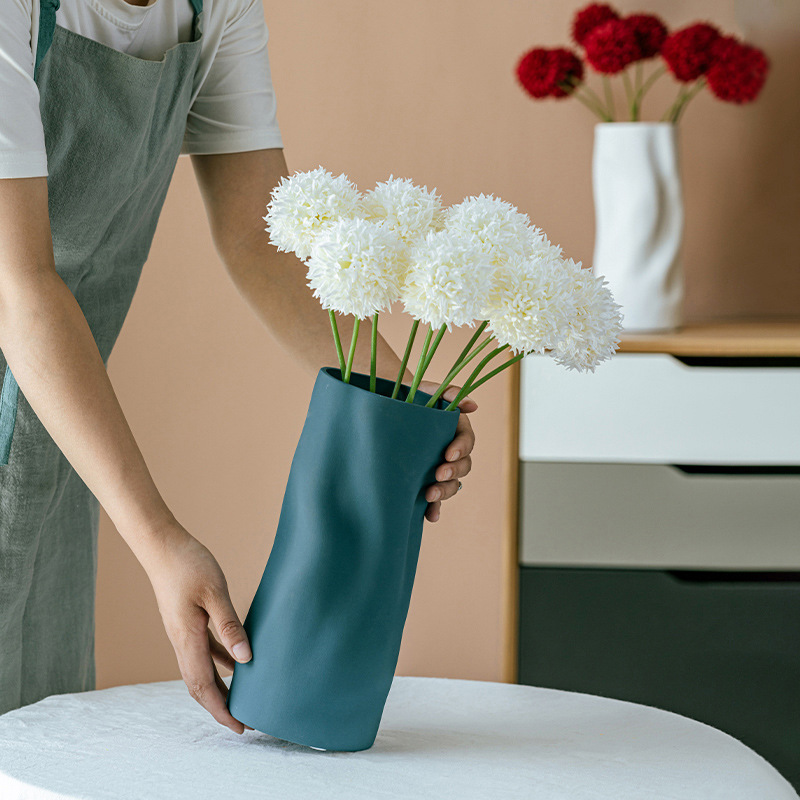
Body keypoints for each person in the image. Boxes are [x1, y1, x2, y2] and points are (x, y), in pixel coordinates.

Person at [0, 0, 477, 733]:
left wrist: (406, 406)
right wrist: (161, 543)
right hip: (43, 374)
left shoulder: (214, 6)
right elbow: (20, 285)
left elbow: (260, 239)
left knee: (35, 734)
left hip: (61, 442)